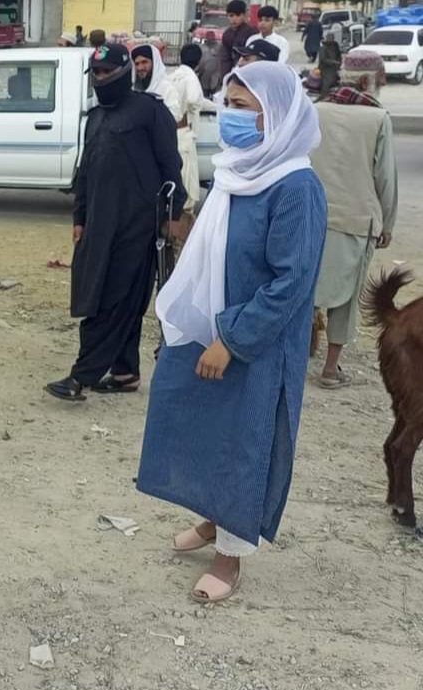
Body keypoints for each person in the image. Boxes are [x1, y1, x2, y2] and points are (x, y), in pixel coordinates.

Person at [139, 62, 327, 604]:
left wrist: (233, 340)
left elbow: (290, 284)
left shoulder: (296, 187)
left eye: (243, 108)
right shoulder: (235, 170)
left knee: (244, 440)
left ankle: (231, 553)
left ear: (278, 116)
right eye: (229, 105)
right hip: (212, 325)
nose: (229, 118)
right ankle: (211, 516)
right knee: (204, 425)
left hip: (256, 342)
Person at [45, 43, 184, 402]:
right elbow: (85, 171)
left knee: (115, 300)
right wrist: (79, 217)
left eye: (108, 72)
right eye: (97, 73)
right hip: (98, 225)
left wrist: (172, 217)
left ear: (125, 72)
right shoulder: (95, 117)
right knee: (98, 294)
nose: (102, 78)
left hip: (138, 225)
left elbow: (171, 166)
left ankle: (81, 376)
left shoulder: (150, 111)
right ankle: (124, 372)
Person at [312, 51, 397, 389]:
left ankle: (295, 354)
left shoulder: (317, 109)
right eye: (381, 76)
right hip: (357, 220)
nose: (384, 82)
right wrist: (387, 224)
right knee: (346, 299)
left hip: (314, 216)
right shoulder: (378, 118)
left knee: (307, 288)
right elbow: (385, 177)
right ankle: (330, 369)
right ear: (366, 80)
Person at [170, 43, 213, 227]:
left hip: (172, 134)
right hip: (184, 133)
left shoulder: (173, 76)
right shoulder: (190, 77)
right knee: (187, 182)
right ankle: (183, 227)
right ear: (199, 61)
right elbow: (195, 99)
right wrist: (191, 109)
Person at [219, 0, 257, 82]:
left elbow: (254, 58)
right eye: (231, 15)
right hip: (232, 73)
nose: (234, 19)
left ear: (244, 15)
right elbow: (225, 59)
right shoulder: (227, 34)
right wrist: (225, 78)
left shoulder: (252, 32)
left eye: (238, 15)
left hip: (248, 74)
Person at [197, 31, 222, 98]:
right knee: (204, 94)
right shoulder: (201, 47)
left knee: (215, 95)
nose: (211, 39)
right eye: (209, 38)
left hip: (216, 75)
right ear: (206, 38)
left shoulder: (219, 47)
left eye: (212, 38)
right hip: (204, 75)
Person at [319, 32, 342, 97]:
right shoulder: (323, 47)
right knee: (327, 83)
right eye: (329, 38)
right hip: (325, 68)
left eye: (332, 37)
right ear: (326, 38)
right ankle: (324, 96)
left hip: (334, 68)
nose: (331, 39)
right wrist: (333, 62)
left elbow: (339, 55)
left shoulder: (335, 45)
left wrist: (339, 62)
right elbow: (323, 59)